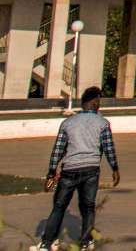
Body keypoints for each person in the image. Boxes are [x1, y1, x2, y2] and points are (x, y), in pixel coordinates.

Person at [35, 86, 121, 251]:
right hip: (91, 170)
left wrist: (51, 172)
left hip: (69, 170)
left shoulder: (68, 123)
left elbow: (58, 150)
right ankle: (85, 242)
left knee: (59, 206)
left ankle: (47, 243)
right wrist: (115, 168)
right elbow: (108, 148)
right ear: (95, 103)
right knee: (88, 206)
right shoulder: (103, 123)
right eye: (99, 102)